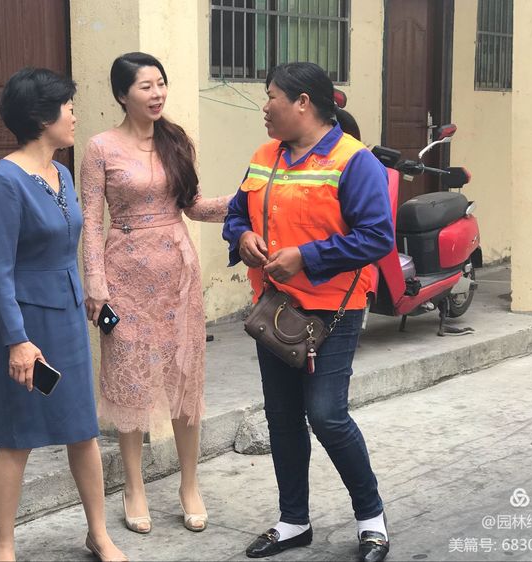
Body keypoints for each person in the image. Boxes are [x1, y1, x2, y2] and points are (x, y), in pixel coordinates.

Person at [222, 62, 394, 562]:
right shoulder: (263, 157)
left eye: (271, 96)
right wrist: (243, 236)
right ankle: (293, 520)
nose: (265, 107)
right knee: (281, 416)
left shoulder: (353, 160)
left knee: (326, 415)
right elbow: (236, 213)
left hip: (332, 310)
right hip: (275, 308)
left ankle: (371, 519)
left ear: (303, 102)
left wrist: (307, 256)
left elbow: (377, 237)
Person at [80, 52, 232, 535]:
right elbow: (90, 222)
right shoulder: (100, 148)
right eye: (146, 86)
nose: (157, 93)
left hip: (177, 279)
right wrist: (95, 284)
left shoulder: (176, 140)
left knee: (184, 378)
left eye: (161, 83)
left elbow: (194, 207)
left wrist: (244, 203)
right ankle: (134, 486)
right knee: (129, 382)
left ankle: (190, 484)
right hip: (123, 281)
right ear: (122, 95)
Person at [0, 67, 126, 562]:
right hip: (26, 325)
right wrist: (17, 341)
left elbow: (74, 242)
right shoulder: (4, 181)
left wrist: (92, 295)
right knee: (17, 435)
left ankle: (98, 534)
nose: (75, 116)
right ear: (43, 118)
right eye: (69, 108)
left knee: (82, 430)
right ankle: (3, 545)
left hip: (66, 317)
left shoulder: (62, 173)